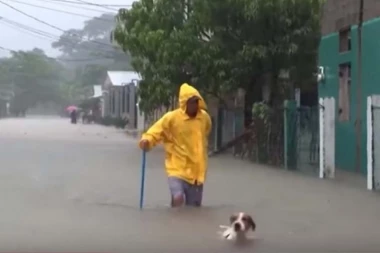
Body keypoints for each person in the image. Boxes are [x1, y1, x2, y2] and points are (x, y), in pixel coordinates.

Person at [139, 83, 212, 207]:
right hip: (176, 167)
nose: (194, 105)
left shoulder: (204, 118)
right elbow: (155, 131)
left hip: (196, 171)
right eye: (191, 102)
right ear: (184, 103)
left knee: (194, 209)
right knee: (178, 198)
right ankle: (173, 220)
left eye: (196, 101)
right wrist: (147, 141)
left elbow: (206, 132)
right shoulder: (172, 118)